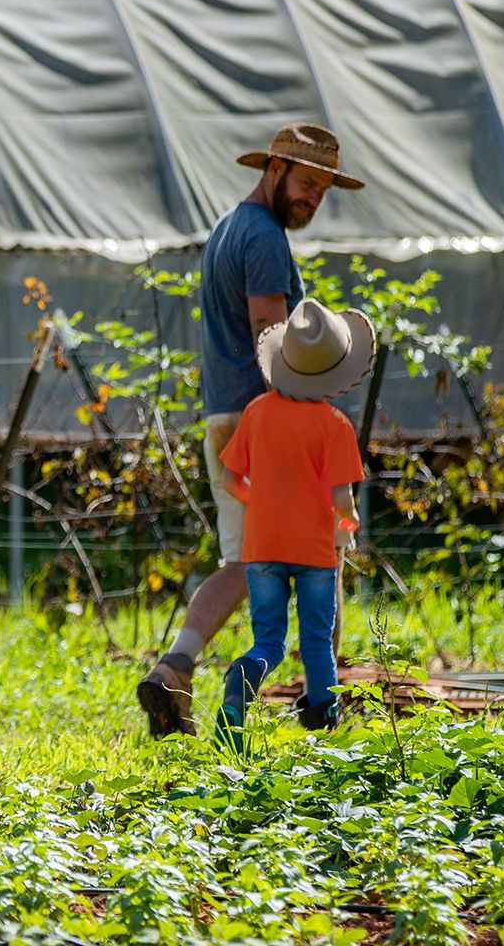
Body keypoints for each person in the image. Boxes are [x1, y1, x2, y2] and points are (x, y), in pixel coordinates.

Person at [138, 123, 365, 738]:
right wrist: (305, 428)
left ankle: (175, 670)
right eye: (306, 182)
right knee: (316, 552)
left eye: (323, 189)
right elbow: (271, 338)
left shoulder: (230, 227)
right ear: (273, 169)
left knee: (244, 561)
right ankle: (326, 709)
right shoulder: (264, 239)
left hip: (226, 417)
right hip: (258, 421)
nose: (313, 198)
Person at [213, 299, 373, 740]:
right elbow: (342, 498)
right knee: (317, 639)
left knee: (270, 641)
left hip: (263, 546)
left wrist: (260, 501)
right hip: (314, 551)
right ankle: (322, 723)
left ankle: (241, 680)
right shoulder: (334, 426)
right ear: (334, 371)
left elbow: (230, 478)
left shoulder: (256, 412)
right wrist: (350, 521)